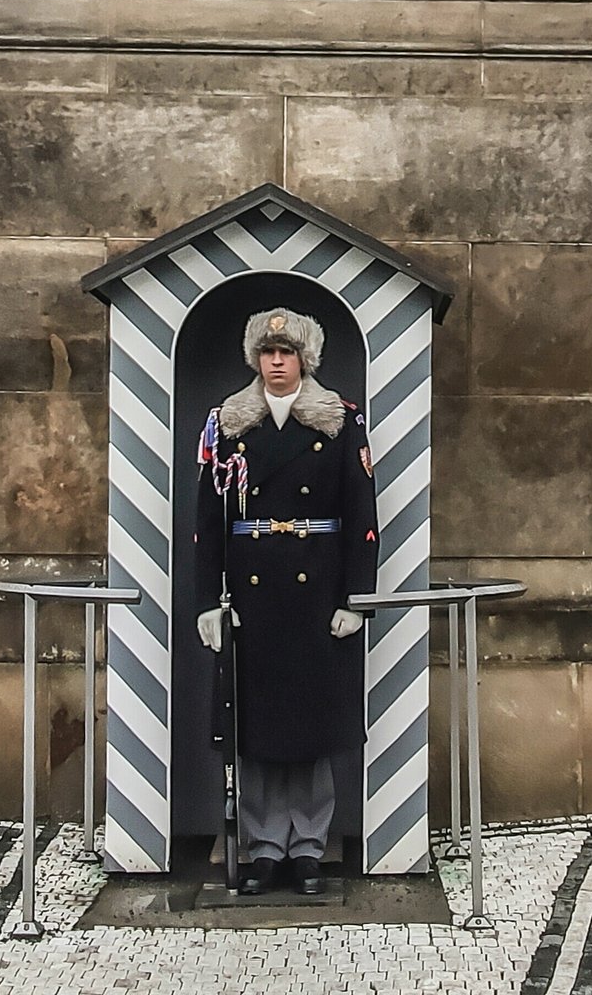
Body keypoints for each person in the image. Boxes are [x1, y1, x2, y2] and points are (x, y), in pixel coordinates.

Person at [195, 308, 378, 895]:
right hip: (252, 595)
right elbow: (207, 520)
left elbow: (361, 515)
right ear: (256, 359)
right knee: (257, 727)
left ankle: (308, 847)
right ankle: (265, 846)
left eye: (287, 352)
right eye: (268, 352)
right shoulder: (227, 425)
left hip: (317, 593)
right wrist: (206, 600)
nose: (276, 362)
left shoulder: (340, 422)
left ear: (306, 360)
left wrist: (355, 597)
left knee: (312, 727)